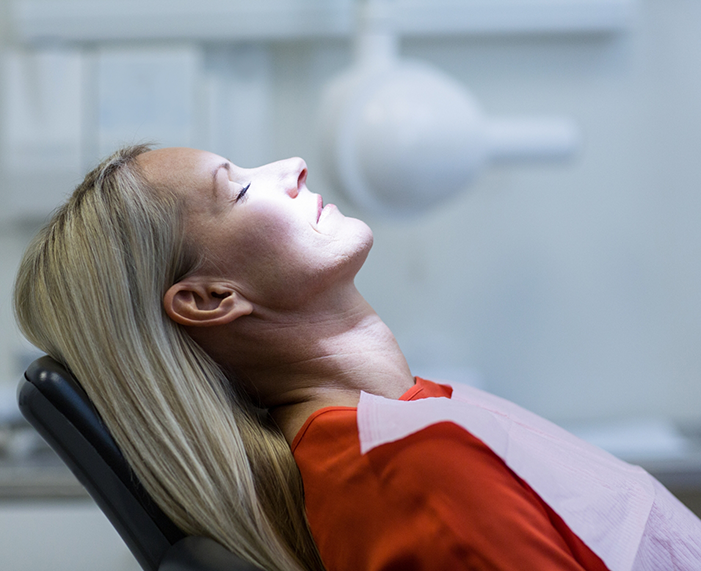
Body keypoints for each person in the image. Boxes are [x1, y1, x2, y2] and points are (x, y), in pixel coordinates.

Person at [13, 145, 701, 571]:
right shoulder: (406, 476)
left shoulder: (402, 426)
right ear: (209, 297)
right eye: (242, 187)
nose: (292, 165)